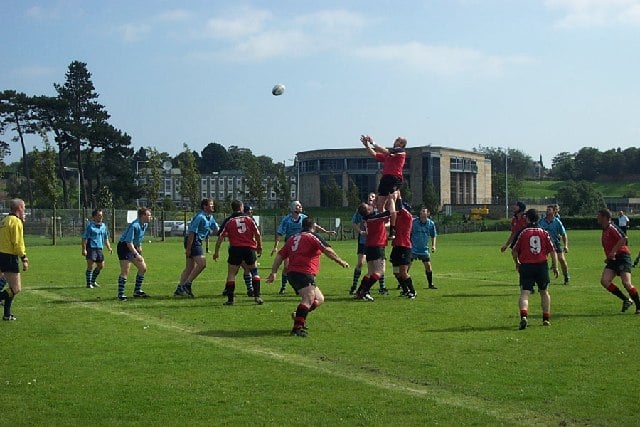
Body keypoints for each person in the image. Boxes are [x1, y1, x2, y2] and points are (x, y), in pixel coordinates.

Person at [267, 217, 349, 337]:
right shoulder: (312, 236)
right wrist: (340, 261)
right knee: (308, 299)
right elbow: (327, 249)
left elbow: (280, 256)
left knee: (319, 299)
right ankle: (297, 328)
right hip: (303, 272)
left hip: (293, 273)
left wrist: (274, 272)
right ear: (314, 226)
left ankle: (298, 315)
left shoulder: (292, 238)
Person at [271, 201, 335, 294]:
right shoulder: (286, 220)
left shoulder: (304, 217)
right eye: (298, 206)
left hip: (302, 245)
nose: (300, 207)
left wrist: (326, 232)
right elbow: (279, 233)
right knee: (286, 267)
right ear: (293, 208)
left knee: (303, 266)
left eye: (300, 205)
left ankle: (300, 287)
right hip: (290, 245)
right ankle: (283, 286)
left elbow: (315, 226)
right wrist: (276, 246)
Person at [511, 208, 559, 330]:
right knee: (544, 292)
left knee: (524, 293)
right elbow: (553, 251)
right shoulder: (544, 232)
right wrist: (555, 266)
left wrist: (517, 263)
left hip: (526, 266)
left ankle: (524, 316)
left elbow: (514, 251)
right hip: (541, 265)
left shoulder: (523, 232)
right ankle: (546, 319)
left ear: (527, 218)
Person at [213, 200, 263, 305]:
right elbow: (257, 234)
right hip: (249, 248)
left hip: (235, 249)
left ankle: (230, 300)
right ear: (241, 207)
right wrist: (259, 246)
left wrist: (216, 251)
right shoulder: (249, 219)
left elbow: (220, 237)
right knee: (254, 271)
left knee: (231, 274)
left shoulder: (229, 221)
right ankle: (257, 296)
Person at [361, 134, 407, 240]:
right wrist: (367, 146)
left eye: (398, 140)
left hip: (394, 178)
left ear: (402, 144)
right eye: (396, 139)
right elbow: (375, 155)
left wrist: (373, 142)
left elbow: (385, 151)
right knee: (379, 204)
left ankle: (392, 229)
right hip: (385, 179)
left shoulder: (400, 151)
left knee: (391, 200)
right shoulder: (389, 155)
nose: (395, 141)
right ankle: (384, 225)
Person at [596, 208, 640, 314]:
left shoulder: (612, 227)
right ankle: (626, 300)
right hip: (613, 259)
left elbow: (624, 238)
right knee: (604, 281)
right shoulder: (605, 229)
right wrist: (609, 257)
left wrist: (614, 252)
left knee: (626, 283)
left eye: (599, 216)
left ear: (605, 217)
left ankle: (639, 306)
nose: (597, 218)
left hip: (622, 257)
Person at [174, 198, 219, 298]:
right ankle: (187, 284)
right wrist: (189, 249)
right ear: (205, 206)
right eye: (211, 205)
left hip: (196, 242)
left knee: (189, 268)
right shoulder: (200, 217)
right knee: (202, 264)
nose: (213, 206)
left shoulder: (210, 217)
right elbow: (191, 233)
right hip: (193, 241)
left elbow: (217, 230)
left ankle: (179, 288)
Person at [350, 192, 388, 295]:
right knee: (380, 270)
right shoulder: (375, 216)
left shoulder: (369, 216)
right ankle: (364, 291)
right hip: (376, 245)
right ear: (368, 210)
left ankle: (359, 291)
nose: (370, 199)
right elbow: (391, 213)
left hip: (369, 245)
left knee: (370, 272)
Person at [0, 199, 29, 321]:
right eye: (24, 208)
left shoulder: (4, 220)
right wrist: (24, 257)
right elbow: (17, 242)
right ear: (19, 208)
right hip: (10, 257)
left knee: (10, 286)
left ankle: (7, 314)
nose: (25, 210)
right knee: (16, 288)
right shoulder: (16, 222)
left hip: (1, 255)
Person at [116, 207, 152, 301]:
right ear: (143, 216)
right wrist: (136, 254)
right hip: (124, 247)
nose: (150, 217)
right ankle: (121, 294)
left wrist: (139, 248)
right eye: (148, 215)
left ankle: (137, 291)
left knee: (143, 268)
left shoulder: (144, 225)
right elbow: (128, 242)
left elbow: (138, 238)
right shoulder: (134, 225)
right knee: (125, 270)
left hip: (133, 247)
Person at [389, 198, 416, 299]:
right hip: (396, 246)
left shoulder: (408, 216)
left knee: (403, 272)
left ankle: (413, 291)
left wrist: (396, 196)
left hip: (405, 246)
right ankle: (405, 290)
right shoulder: (397, 216)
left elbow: (399, 207)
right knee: (396, 272)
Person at [539, 204, 570, 285]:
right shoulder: (541, 221)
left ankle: (566, 276)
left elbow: (563, 234)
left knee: (562, 260)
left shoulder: (557, 222)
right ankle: (542, 279)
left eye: (549, 209)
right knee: (541, 261)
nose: (547, 211)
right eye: (547, 209)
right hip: (544, 244)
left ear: (554, 211)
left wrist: (566, 245)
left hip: (555, 243)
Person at [81, 208, 113, 289]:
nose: (101, 217)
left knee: (101, 266)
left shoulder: (103, 226)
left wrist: (109, 247)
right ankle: (89, 284)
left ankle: (93, 281)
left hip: (99, 249)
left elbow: (105, 238)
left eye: (101, 215)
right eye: (99, 215)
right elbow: (84, 238)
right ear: (94, 217)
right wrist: (84, 249)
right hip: (91, 248)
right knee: (90, 266)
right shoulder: (90, 226)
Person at [410, 207, 438, 290]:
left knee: (428, 266)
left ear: (428, 214)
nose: (421, 212)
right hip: (413, 248)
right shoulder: (414, 222)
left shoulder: (431, 223)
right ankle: (402, 283)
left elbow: (433, 235)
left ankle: (430, 283)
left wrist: (433, 246)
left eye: (423, 211)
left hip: (424, 249)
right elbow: (408, 233)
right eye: (421, 211)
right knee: (407, 266)